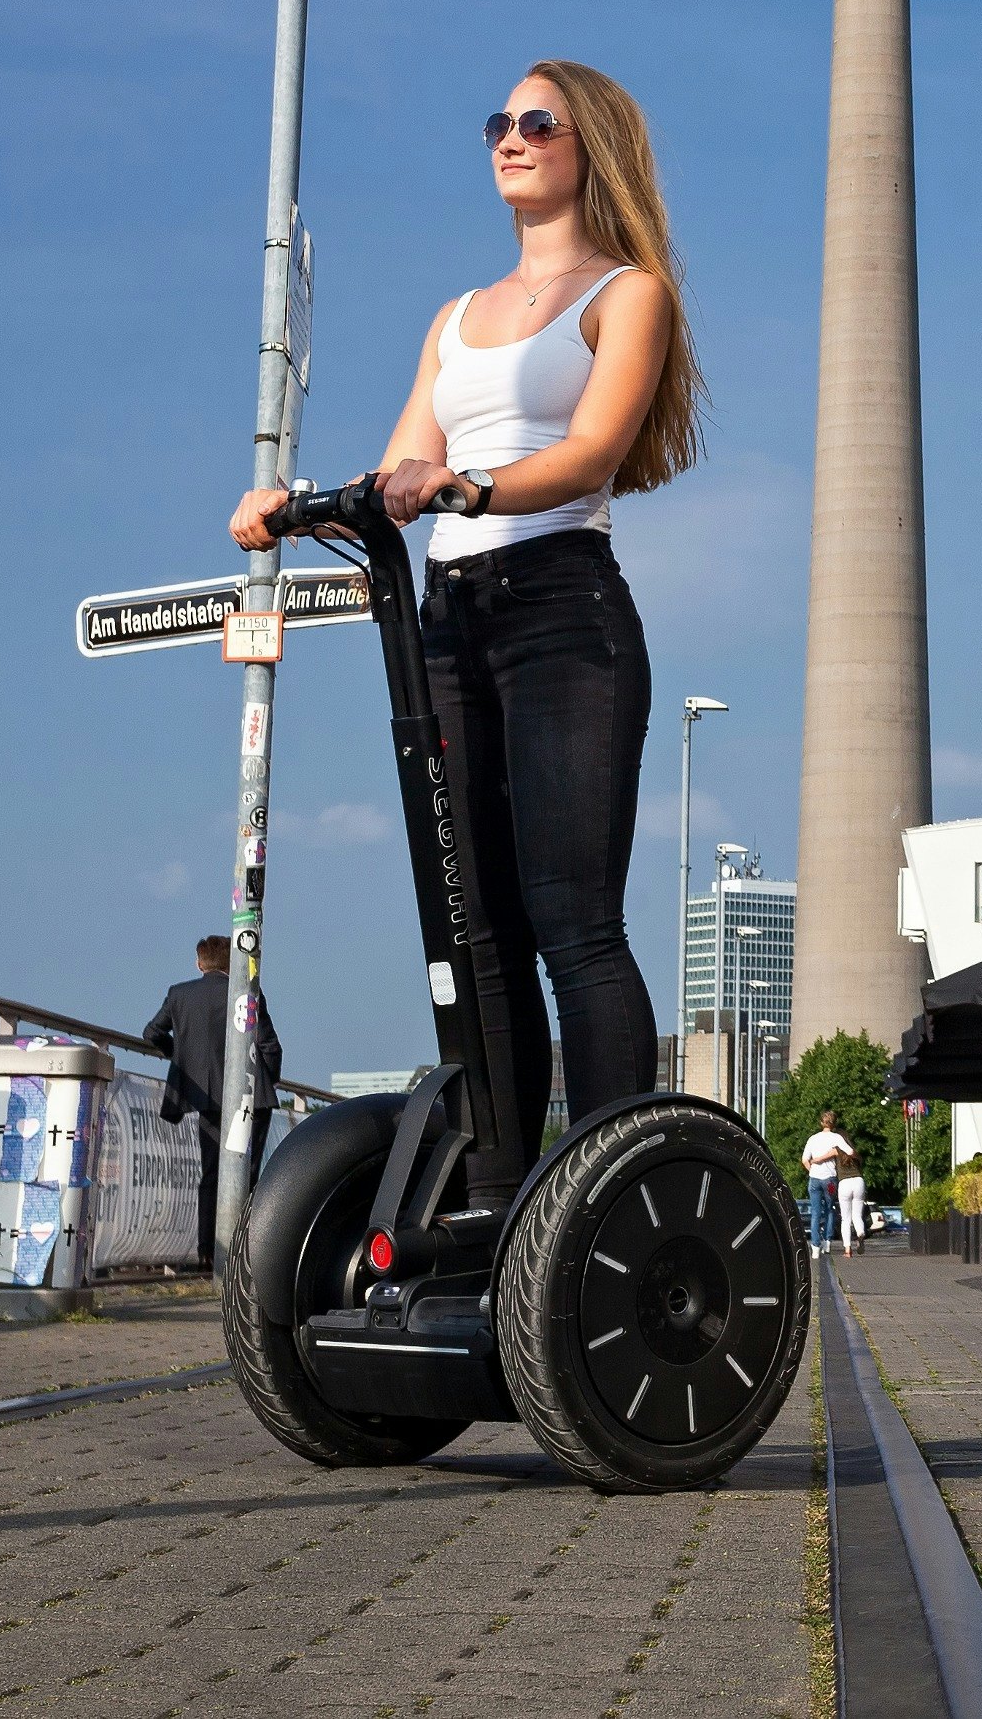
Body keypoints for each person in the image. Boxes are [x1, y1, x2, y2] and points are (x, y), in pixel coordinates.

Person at [232, 61, 706, 1205]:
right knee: (472, 927)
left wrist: (470, 491)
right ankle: (500, 1196)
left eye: (536, 122)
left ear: (589, 144)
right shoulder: (456, 318)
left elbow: (590, 453)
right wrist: (292, 507)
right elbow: (398, 463)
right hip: (449, 621)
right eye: (499, 120)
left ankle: (607, 1197)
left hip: (562, 614)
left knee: (573, 925)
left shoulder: (625, 293)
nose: (511, 137)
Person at [143, 934, 280, 1270]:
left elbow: (151, 1033)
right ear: (230, 963)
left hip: (206, 1097)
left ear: (200, 963)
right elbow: (269, 1046)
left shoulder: (180, 995)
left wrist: (181, 1055)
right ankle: (243, 1254)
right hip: (251, 1096)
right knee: (247, 1174)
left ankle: (207, 1252)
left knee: (212, 1172)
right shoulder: (246, 993)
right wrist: (266, 1081)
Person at [801, 1116, 857, 1255]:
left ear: (821, 1123)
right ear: (834, 1123)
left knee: (815, 1212)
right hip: (830, 1181)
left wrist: (812, 1170)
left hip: (814, 1179)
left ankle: (815, 1247)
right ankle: (827, 1242)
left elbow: (804, 1160)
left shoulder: (812, 1138)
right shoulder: (836, 1137)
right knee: (830, 1208)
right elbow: (849, 1151)